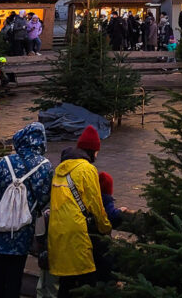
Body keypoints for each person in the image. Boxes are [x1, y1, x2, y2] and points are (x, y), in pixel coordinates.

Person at [0, 122, 53, 298]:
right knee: (15, 277)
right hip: (22, 232)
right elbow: (45, 198)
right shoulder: (45, 166)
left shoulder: (6, 161)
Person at [48, 125, 113, 296]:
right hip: (77, 232)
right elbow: (95, 205)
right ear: (93, 150)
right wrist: (105, 227)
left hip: (57, 232)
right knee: (87, 282)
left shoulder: (60, 169)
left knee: (66, 283)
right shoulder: (87, 169)